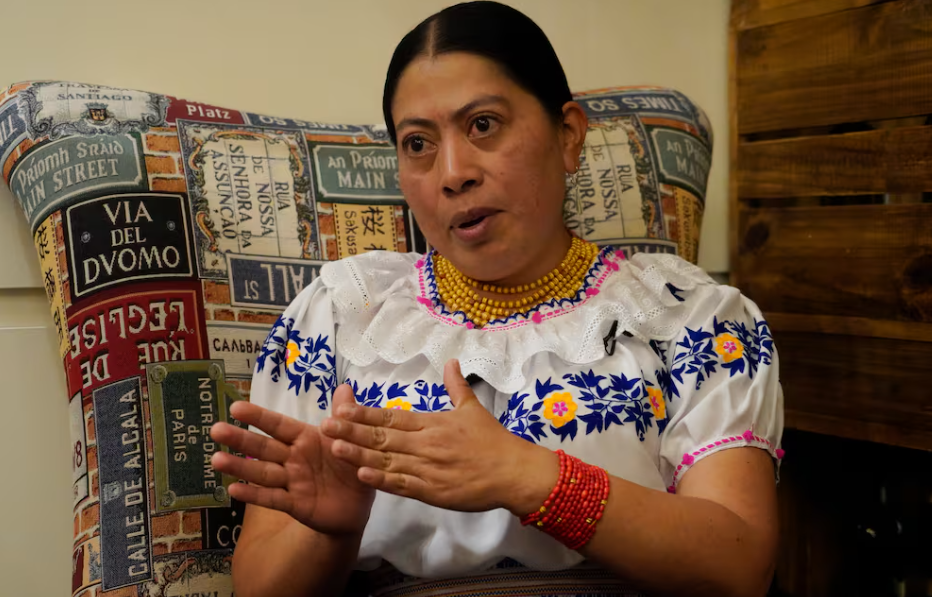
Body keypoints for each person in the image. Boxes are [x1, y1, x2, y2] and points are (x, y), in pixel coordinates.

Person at [209, 2, 784, 596]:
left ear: (568, 135)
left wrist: (530, 478)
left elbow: (738, 567)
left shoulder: (689, 317)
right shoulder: (341, 314)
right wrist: (333, 531)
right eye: (418, 143)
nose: (453, 172)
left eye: (483, 124)